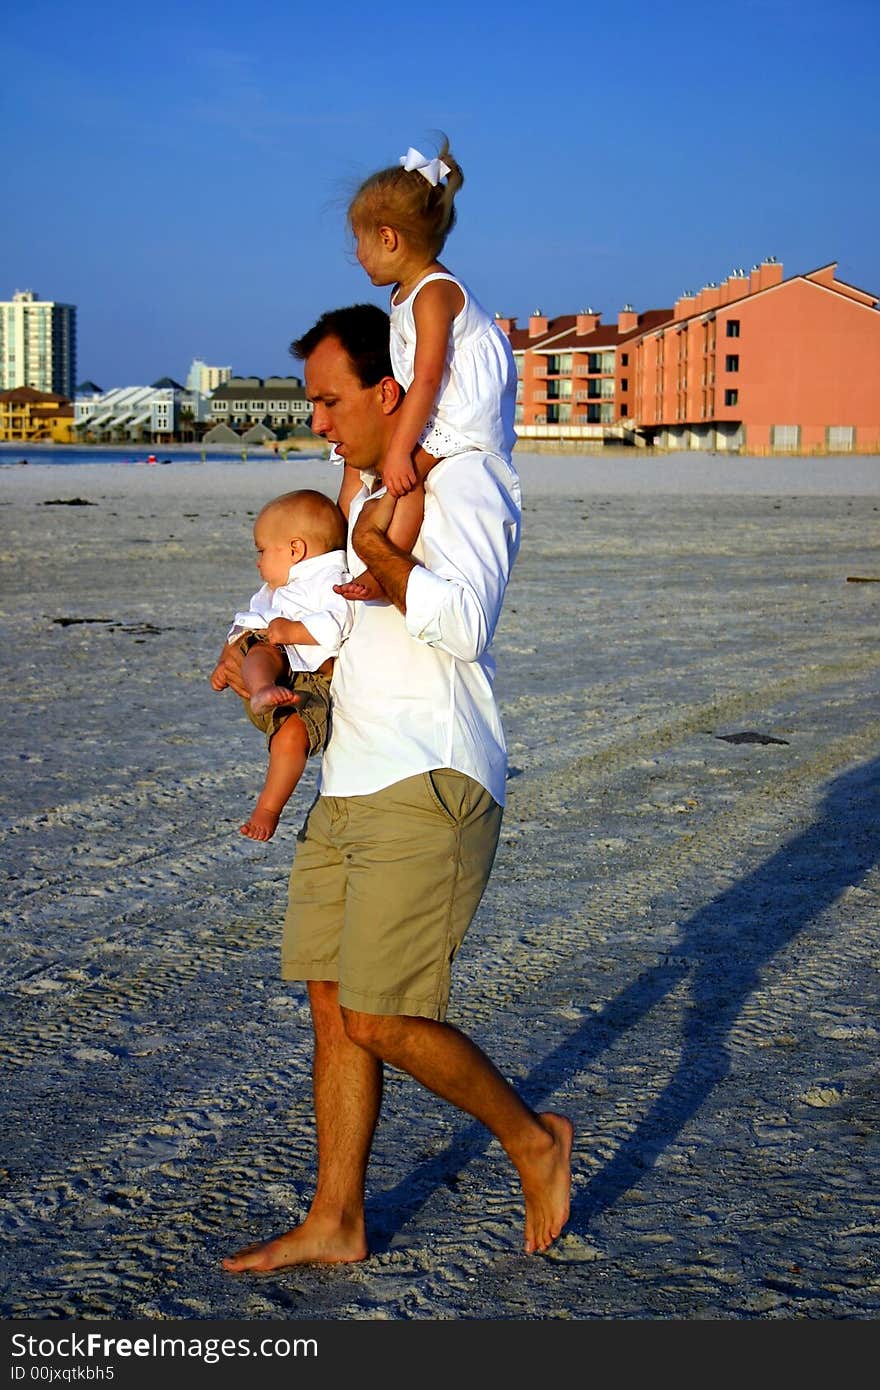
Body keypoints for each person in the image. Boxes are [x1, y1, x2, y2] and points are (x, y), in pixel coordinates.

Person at [216, 304, 572, 1269]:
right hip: (347, 785)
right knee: (333, 1006)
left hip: (430, 779)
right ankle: (338, 1219)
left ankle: (533, 1140)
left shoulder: (466, 486)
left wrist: (377, 548)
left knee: (380, 1013)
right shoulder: (360, 500)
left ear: (388, 392)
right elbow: (331, 663)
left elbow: (459, 628)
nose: (320, 421)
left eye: (329, 400)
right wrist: (265, 678)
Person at [334, 135, 518, 603]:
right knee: (395, 480)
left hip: (462, 411)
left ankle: (383, 564)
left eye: (359, 240)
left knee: (403, 478)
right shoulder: (405, 292)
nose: (356, 253)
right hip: (438, 407)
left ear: (388, 238)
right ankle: (379, 556)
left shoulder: (434, 292)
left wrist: (400, 450)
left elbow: (430, 378)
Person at [209, 489, 351, 841]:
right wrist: (227, 659)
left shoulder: (331, 577)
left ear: (295, 550)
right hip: (275, 659)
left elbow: (338, 622)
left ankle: (268, 809)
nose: (258, 563)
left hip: (311, 675)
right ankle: (261, 690)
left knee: (292, 736)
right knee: (260, 648)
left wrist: (293, 630)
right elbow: (246, 625)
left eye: (261, 551)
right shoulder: (274, 588)